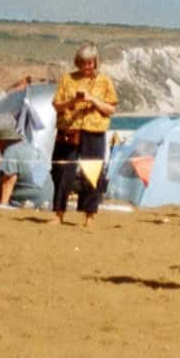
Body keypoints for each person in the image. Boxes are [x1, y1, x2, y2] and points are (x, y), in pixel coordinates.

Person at [50, 43, 117, 226]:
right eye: (83, 63)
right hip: (69, 130)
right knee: (62, 170)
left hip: (93, 132)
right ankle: (59, 213)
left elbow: (110, 109)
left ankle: (89, 215)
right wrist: (73, 100)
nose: (87, 67)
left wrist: (93, 100)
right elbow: (56, 105)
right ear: (78, 62)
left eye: (91, 63)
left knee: (92, 172)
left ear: (96, 62)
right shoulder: (67, 79)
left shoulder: (104, 81)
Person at [0, 121, 49, 208]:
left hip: (27, 201)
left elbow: (9, 180)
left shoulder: (10, 151)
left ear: (5, 142)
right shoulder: (34, 149)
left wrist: (2, 205)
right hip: (47, 199)